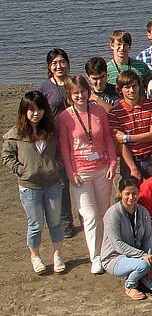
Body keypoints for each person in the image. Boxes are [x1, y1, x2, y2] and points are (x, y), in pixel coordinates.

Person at [57, 75, 117, 274]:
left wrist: (113, 162)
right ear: (69, 95)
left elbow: (108, 137)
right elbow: (64, 148)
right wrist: (70, 172)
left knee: (103, 212)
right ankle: (96, 257)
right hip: (80, 173)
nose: (80, 96)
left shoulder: (99, 111)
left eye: (82, 91)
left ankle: (106, 250)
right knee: (89, 216)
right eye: (75, 93)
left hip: (102, 169)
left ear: (88, 91)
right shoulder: (65, 117)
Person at [3, 91, 66, 274]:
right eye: (31, 109)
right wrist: (20, 169)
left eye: (39, 109)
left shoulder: (51, 131)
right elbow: (6, 155)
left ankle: (57, 255)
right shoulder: (15, 133)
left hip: (53, 183)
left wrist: (57, 165)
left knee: (55, 221)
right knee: (36, 223)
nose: (36, 113)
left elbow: (61, 151)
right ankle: (35, 256)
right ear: (24, 111)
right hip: (29, 187)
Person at [101, 177, 152, 300]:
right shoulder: (112, 214)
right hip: (115, 257)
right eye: (127, 194)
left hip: (139, 257)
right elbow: (117, 244)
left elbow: (147, 239)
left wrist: (151, 262)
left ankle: (136, 273)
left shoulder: (143, 212)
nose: (131, 197)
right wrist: (143, 256)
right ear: (121, 193)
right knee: (143, 265)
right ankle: (130, 285)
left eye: (135, 193)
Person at [108, 68, 152, 180]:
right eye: (127, 87)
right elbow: (121, 143)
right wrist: (133, 168)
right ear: (120, 90)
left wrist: (127, 137)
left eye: (134, 86)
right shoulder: (115, 113)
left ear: (139, 86)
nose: (132, 90)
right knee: (130, 193)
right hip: (130, 159)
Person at [40, 48, 71, 116]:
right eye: (54, 63)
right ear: (49, 66)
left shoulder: (76, 83)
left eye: (62, 62)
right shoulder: (45, 87)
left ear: (68, 63)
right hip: (54, 126)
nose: (59, 66)